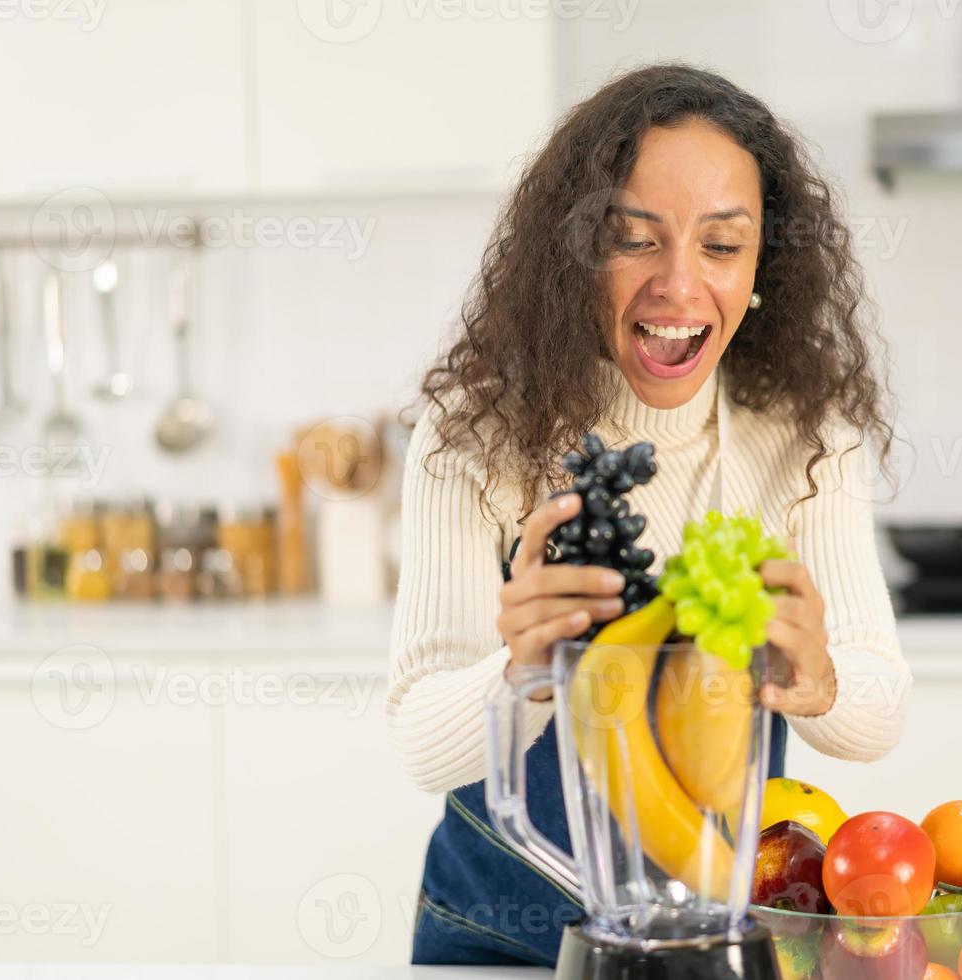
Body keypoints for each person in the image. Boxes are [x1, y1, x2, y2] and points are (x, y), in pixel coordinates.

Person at [388, 62, 910, 967]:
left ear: (761, 268)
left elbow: (873, 718)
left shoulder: (807, 437)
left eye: (721, 245)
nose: (678, 285)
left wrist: (820, 677)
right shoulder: (473, 433)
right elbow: (422, 746)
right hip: (492, 936)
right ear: (575, 254)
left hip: (717, 932)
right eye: (635, 240)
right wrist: (516, 672)